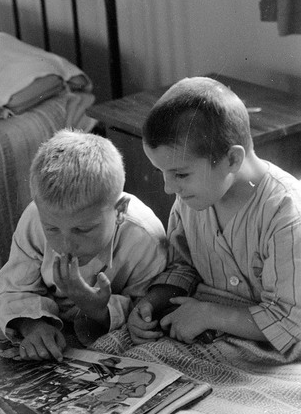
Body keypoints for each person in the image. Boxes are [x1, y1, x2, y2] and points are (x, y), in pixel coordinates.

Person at [127, 76, 301, 355]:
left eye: (180, 174)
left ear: (232, 159)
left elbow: (290, 319)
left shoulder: (286, 212)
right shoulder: (192, 200)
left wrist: (209, 315)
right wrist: (153, 301)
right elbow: (184, 267)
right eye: (162, 172)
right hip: (209, 330)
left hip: (277, 342)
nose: (169, 188)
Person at [0, 129, 167, 361]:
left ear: (120, 210)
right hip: (51, 329)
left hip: (103, 334)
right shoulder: (36, 218)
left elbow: (145, 312)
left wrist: (95, 308)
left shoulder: (145, 239)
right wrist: (31, 326)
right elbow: (15, 288)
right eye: (52, 229)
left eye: (82, 230)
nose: (65, 245)